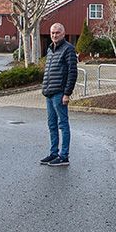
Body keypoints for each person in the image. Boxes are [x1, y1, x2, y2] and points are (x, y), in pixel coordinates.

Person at [40, 22, 77, 167]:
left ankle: (64, 156)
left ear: (63, 33)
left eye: (57, 33)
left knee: (63, 124)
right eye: (52, 33)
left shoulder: (68, 49)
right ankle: (53, 153)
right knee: (52, 125)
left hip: (60, 93)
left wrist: (67, 93)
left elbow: (72, 73)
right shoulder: (50, 49)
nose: (54, 35)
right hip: (49, 93)